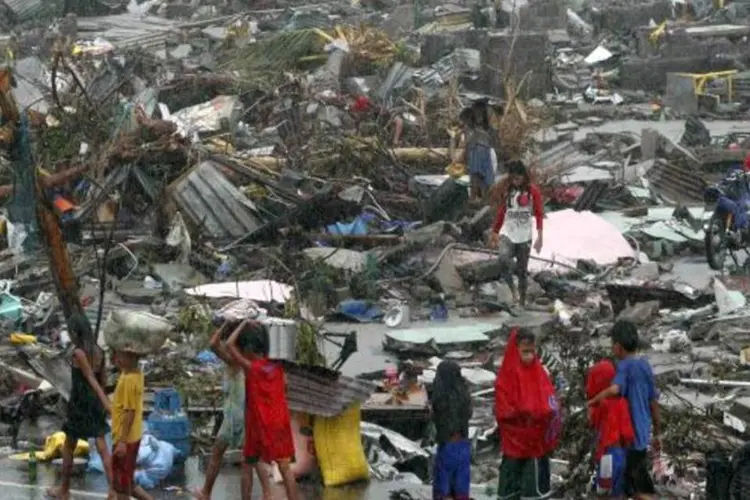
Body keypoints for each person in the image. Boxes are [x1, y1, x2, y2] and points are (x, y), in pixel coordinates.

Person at [587, 320, 661, 500]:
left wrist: (593, 401)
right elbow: (653, 402)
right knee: (635, 481)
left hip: (629, 437)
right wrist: (658, 433)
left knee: (633, 488)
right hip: (643, 434)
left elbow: (615, 390)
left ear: (618, 347)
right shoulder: (645, 365)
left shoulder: (624, 366)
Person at [227, 319, 299, 500]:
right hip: (279, 421)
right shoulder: (278, 368)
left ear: (250, 349)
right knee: (284, 466)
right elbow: (286, 388)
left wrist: (242, 323)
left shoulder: (251, 368)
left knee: (247, 464)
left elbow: (229, 344)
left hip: (258, 423)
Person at [48, 314, 112, 500]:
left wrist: (107, 403)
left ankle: (64, 490)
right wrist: (103, 400)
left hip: (81, 403)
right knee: (102, 446)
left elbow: (90, 378)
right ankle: (113, 491)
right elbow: (103, 379)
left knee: (69, 446)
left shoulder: (79, 353)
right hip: (95, 403)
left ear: (76, 332)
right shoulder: (100, 351)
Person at [495, 328, 561, 500]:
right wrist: (525, 411)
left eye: (532, 351)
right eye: (525, 351)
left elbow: (550, 403)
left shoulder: (539, 373)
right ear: (515, 350)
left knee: (535, 494)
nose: (529, 355)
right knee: (510, 494)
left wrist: (540, 413)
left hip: (536, 445)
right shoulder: (505, 379)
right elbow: (503, 412)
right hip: (514, 445)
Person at [192, 320, 255, 500]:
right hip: (245, 416)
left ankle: (206, 492)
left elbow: (213, 343)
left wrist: (228, 324)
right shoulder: (247, 362)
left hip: (234, 418)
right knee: (247, 463)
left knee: (218, 454)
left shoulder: (234, 362)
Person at [488, 160, 544, 307]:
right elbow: (502, 211)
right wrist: (495, 231)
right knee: (503, 259)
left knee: (522, 272)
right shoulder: (508, 190)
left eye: (518, 178)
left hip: (524, 235)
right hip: (507, 232)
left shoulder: (533, 191)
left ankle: (522, 301)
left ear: (524, 176)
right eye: (513, 178)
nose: (515, 181)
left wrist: (540, 237)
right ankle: (513, 292)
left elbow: (539, 214)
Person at [587, 360, 635, 499]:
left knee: (603, 491)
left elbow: (592, 425)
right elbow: (627, 433)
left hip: (607, 455)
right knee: (616, 492)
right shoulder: (622, 402)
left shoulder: (600, 405)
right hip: (621, 454)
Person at [111, 349, 153, 500]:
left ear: (131, 358)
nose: (118, 358)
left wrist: (122, 441)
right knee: (127, 479)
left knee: (122, 486)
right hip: (132, 435)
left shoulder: (129, 379)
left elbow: (130, 411)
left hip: (125, 438)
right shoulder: (135, 374)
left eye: (122, 356)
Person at [430, 360, 472, 500]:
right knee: (461, 484)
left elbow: (439, 417)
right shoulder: (463, 392)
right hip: (463, 443)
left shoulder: (441, 395)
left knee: (444, 483)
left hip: (448, 443)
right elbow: (468, 414)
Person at [460, 106, 495, 202]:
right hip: (483, 154)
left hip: (478, 154)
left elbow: (468, 144)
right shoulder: (479, 132)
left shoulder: (473, 133)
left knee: (477, 179)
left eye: (463, 121)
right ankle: (484, 201)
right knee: (484, 180)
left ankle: (475, 200)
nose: (462, 124)